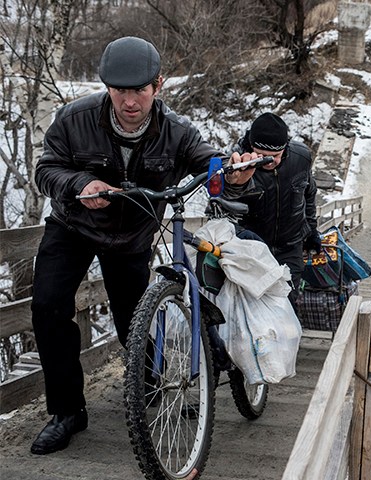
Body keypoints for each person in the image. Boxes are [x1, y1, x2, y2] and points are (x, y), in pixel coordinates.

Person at [29, 36, 255, 456]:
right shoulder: (74, 118)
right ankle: (67, 412)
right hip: (73, 224)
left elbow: (209, 162)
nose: (129, 102)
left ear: (159, 85)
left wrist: (233, 173)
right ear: (107, 87)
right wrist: (80, 184)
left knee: (132, 320)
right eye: (120, 91)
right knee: (47, 305)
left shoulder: (178, 132)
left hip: (130, 236)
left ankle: (149, 389)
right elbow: (46, 168)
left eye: (139, 90)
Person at [231, 112, 319, 310]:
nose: (269, 162)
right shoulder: (237, 164)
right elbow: (222, 202)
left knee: (287, 303)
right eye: (262, 157)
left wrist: (312, 231)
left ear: (285, 147)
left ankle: (288, 340)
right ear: (251, 148)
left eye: (275, 157)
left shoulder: (301, 157)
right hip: (252, 249)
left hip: (290, 245)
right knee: (255, 305)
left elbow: (309, 194)